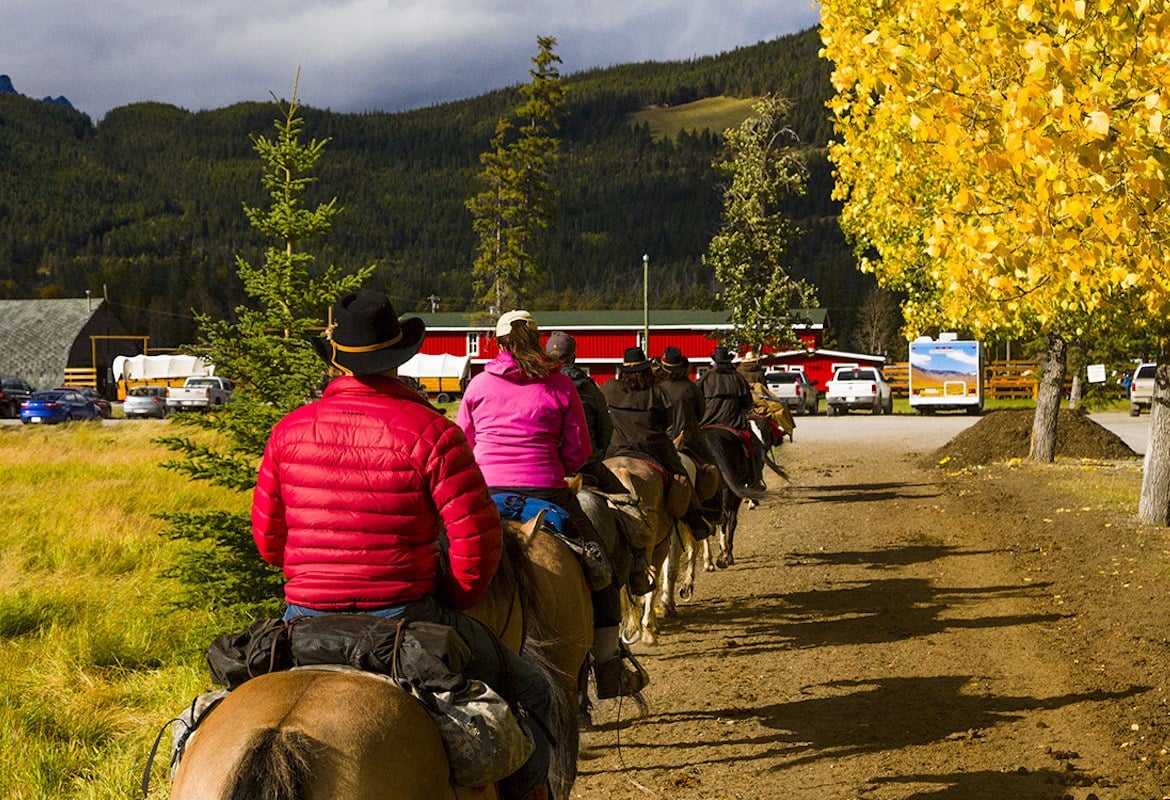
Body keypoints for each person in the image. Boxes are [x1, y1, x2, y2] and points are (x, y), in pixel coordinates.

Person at [251, 289, 552, 800]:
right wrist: (454, 601)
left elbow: (268, 540)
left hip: (302, 617)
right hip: (405, 615)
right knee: (533, 690)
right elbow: (477, 545)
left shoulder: (287, 432)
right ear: (400, 357)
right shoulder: (433, 434)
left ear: (338, 361)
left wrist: (315, 575)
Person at [457, 310, 648, 700]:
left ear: (498, 343)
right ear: (537, 338)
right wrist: (551, 465)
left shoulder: (477, 385)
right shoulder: (560, 384)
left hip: (487, 494)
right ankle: (609, 667)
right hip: (546, 492)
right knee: (601, 568)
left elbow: (463, 441)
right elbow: (580, 451)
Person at [698, 345, 766, 491]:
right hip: (734, 424)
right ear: (729, 361)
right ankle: (756, 480)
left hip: (707, 423)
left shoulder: (706, 377)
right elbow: (748, 404)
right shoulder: (737, 378)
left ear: (715, 362)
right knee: (758, 448)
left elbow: (696, 400)